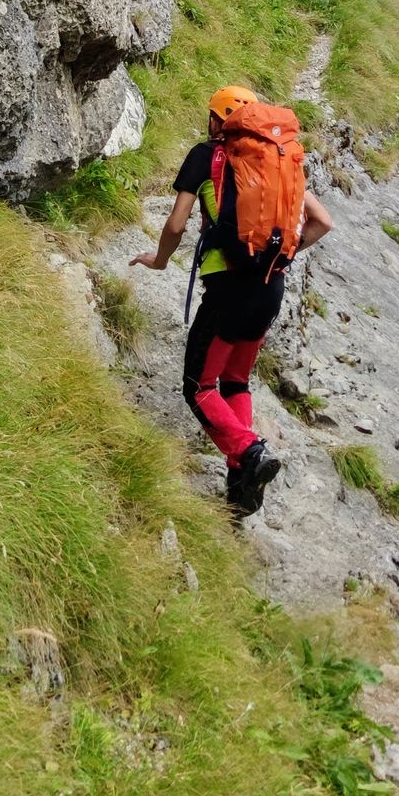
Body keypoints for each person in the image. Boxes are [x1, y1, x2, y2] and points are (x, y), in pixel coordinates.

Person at [133, 83, 333, 514]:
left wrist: (160, 261)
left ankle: (249, 451)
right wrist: (275, 257)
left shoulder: (205, 156)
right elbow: (321, 221)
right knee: (236, 381)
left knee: (199, 388)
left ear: (217, 119)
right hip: (271, 287)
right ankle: (242, 484)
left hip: (227, 291)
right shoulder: (279, 158)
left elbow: (175, 224)